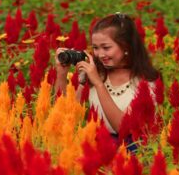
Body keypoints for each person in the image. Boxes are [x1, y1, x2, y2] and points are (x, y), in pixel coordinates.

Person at [54, 12, 160, 147]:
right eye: (96, 48)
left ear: (126, 46)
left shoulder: (146, 83)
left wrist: (98, 84)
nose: (100, 54)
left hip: (133, 153)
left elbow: (123, 128)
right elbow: (67, 114)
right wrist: (61, 75)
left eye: (106, 47)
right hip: (96, 147)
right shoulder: (97, 74)